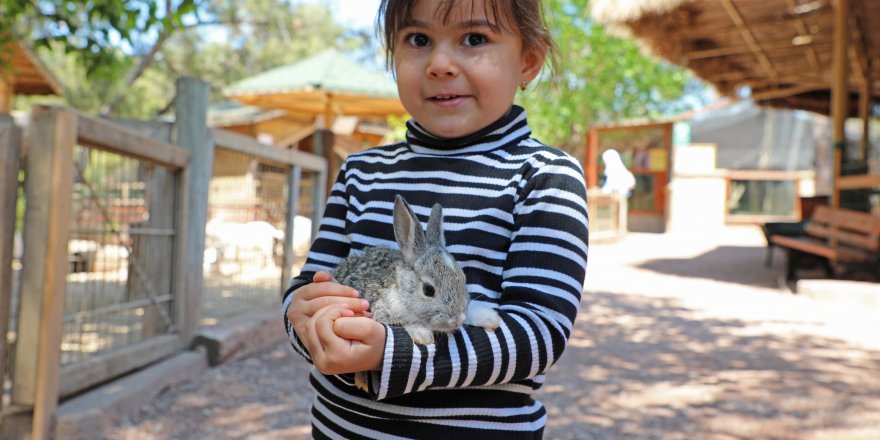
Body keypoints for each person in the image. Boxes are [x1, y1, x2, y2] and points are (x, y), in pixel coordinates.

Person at [283, 0, 589, 437]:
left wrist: (393, 353)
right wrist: (309, 320)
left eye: (474, 39)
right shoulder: (361, 172)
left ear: (529, 60)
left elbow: (538, 334)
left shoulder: (544, 178)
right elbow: (308, 287)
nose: (440, 63)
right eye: (418, 40)